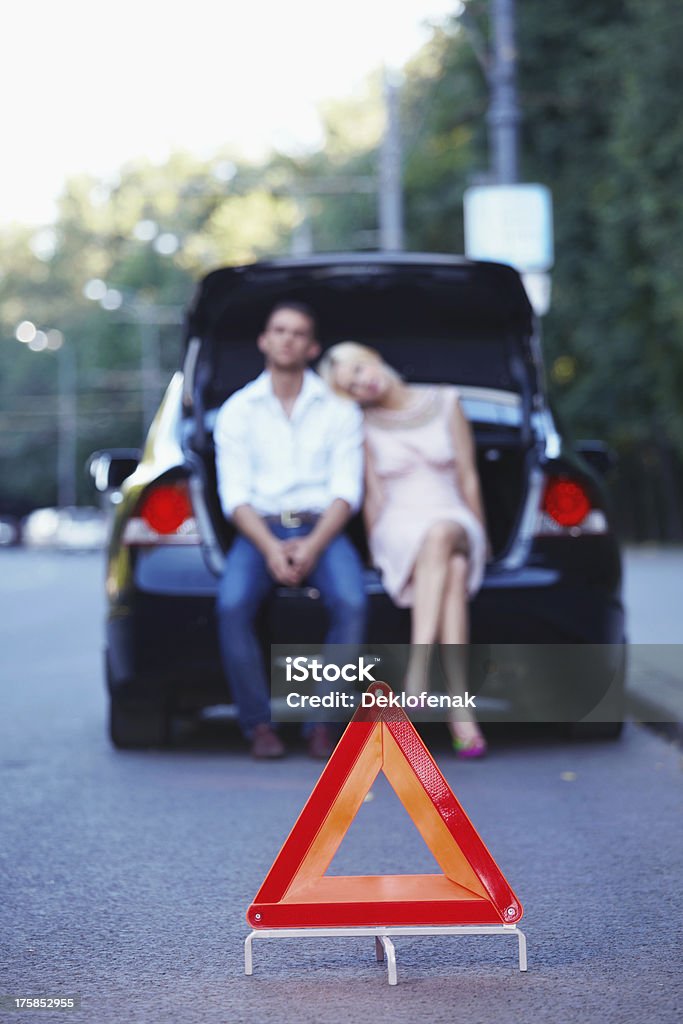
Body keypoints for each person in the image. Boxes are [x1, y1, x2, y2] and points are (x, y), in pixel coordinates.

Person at [318, 341, 489, 758]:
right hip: (398, 525)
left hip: (452, 514)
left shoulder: (446, 400)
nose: (362, 383)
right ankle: (460, 713)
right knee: (454, 568)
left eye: (359, 369)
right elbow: (374, 497)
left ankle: (415, 677)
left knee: (445, 537)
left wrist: (481, 533)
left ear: (373, 356)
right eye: (351, 385)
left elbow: (468, 476)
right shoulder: (361, 425)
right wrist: (379, 548)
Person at [214, 304, 367, 759]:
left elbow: (346, 491)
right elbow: (234, 496)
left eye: (298, 333)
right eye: (279, 331)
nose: (287, 340)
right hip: (258, 530)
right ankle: (258, 724)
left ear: (312, 347)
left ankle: (323, 724)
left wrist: (312, 546)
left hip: (323, 527)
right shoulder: (238, 410)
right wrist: (272, 550)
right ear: (264, 340)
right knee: (231, 605)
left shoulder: (340, 409)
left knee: (353, 603)